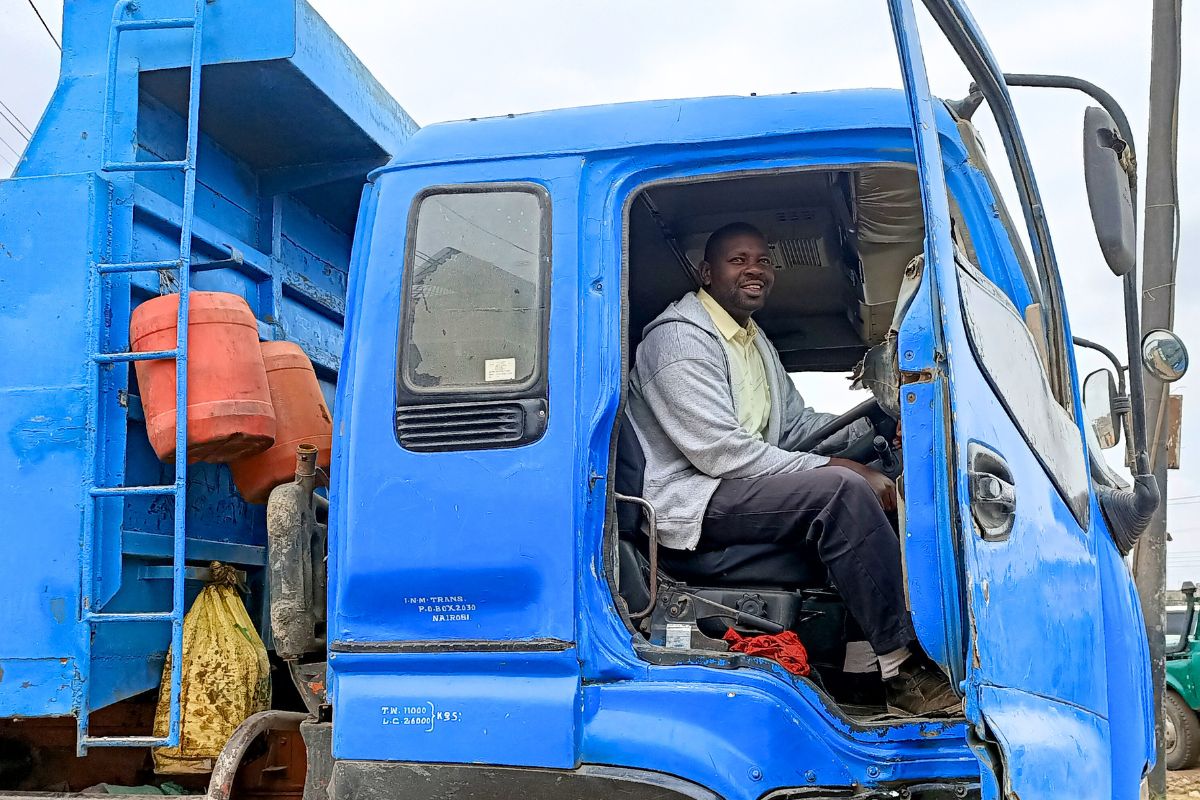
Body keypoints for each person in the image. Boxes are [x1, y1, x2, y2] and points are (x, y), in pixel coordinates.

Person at [624, 221, 958, 716]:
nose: (754, 269)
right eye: (738, 260)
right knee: (839, 492)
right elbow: (720, 452)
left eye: (762, 260)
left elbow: (796, 426)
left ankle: (863, 666)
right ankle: (902, 670)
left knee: (882, 490)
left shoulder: (753, 342)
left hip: (733, 487)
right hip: (689, 500)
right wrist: (839, 466)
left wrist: (883, 428)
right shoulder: (677, 340)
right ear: (706, 272)